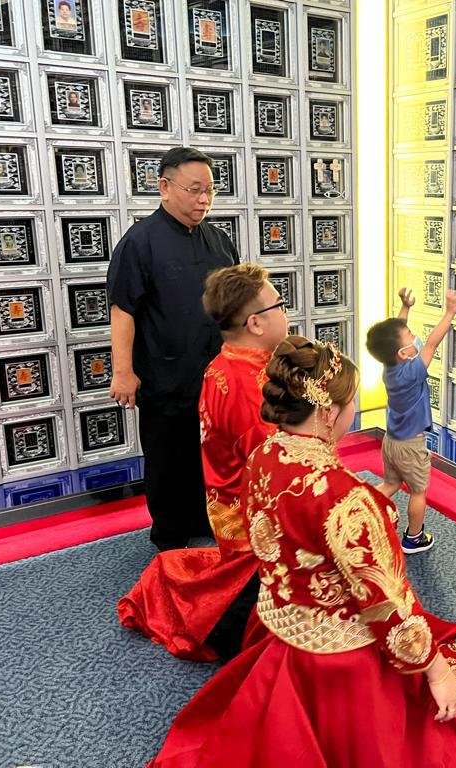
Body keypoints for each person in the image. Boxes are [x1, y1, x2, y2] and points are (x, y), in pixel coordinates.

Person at [147, 337, 456, 767]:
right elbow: (387, 603)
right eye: (352, 401)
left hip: (281, 636)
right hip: (342, 664)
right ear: (327, 412)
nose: (354, 410)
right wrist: (435, 671)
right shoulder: (347, 499)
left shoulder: (264, 453)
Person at [118, 264, 289, 661]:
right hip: (255, 520)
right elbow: (281, 473)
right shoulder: (251, 390)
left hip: (226, 507)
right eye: (280, 305)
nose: (287, 313)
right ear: (256, 323)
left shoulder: (223, 363)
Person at [108, 146, 238, 551]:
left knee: (215, 454)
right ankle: (170, 536)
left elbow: (235, 302)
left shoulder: (219, 240)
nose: (204, 199)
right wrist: (122, 372)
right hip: (164, 375)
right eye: (194, 189)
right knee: (169, 460)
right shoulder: (140, 242)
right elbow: (123, 310)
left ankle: (211, 524)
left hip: (216, 373)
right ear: (164, 187)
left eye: (210, 191)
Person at [365, 286, 456, 554]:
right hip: (409, 444)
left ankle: (363, 511)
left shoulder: (390, 366)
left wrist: (405, 307)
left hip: (391, 441)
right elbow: (431, 343)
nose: (414, 338)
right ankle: (414, 538)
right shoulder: (412, 372)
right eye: (410, 337)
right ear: (403, 352)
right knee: (418, 491)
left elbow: (395, 336)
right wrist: (450, 312)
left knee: (391, 483)